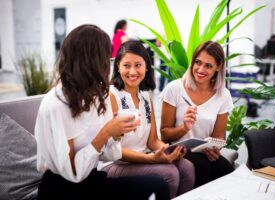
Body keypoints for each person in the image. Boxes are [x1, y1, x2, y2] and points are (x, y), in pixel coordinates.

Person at [35, 24, 169, 200]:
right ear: (90, 61)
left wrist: (117, 133)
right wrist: (106, 132)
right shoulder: (56, 105)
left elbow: (110, 154)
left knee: (159, 186)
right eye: (106, 58)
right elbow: (73, 173)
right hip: (62, 188)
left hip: (91, 179)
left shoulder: (97, 96)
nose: (109, 64)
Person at [104, 40, 195, 198]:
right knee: (170, 173)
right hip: (115, 164)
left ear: (146, 67)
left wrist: (168, 151)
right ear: (117, 66)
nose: (132, 71)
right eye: (126, 65)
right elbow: (112, 150)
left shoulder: (146, 97)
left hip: (144, 158)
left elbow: (152, 141)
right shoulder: (111, 95)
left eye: (138, 65)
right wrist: (152, 158)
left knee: (187, 167)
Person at [160, 41, 234, 187]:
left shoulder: (223, 95)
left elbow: (219, 136)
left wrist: (215, 149)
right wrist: (184, 128)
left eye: (208, 66)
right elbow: (164, 134)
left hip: (204, 152)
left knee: (226, 169)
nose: (200, 69)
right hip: (179, 150)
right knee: (202, 167)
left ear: (218, 68)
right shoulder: (174, 88)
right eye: (198, 62)